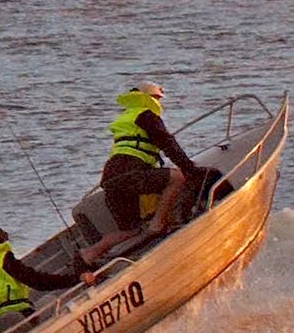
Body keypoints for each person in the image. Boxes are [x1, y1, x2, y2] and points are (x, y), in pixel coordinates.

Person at [76, 81, 202, 267]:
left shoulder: (128, 116)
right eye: (158, 98)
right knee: (177, 178)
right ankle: (158, 223)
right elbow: (168, 144)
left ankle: (88, 254)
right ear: (150, 98)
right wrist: (189, 168)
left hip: (110, 177)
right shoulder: (147, 116)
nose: (160, 102)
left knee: (130, 230)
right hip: (129, 172)